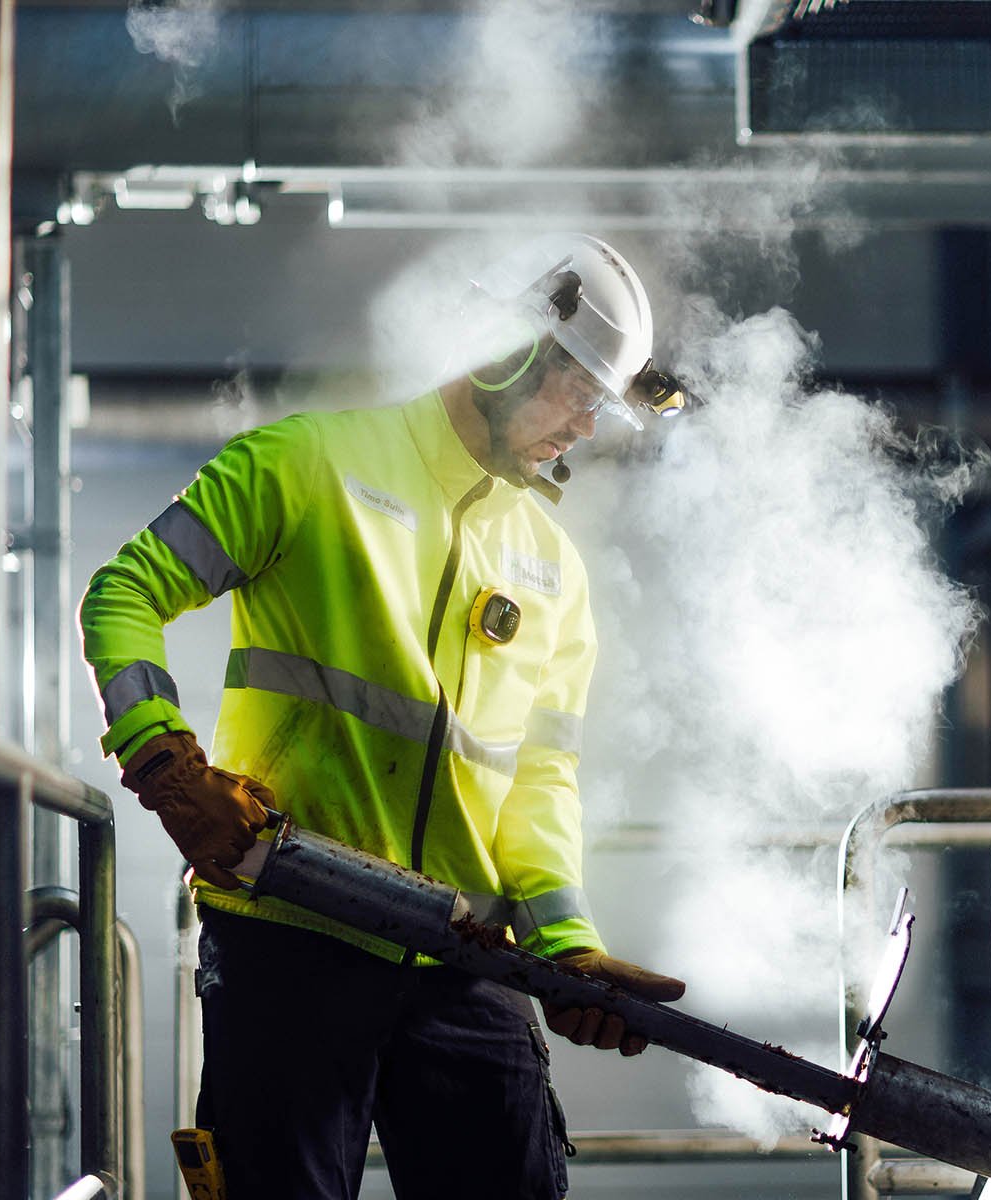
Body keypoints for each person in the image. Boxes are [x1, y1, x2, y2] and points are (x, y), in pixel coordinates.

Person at [79, 234, 688, 1200]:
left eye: (598, 406)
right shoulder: (308, 462)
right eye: (576, 391)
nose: (582, 426)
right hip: (290, 937)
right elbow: (122, 596)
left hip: (463, 963)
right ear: (510, 350)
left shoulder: (553, 570)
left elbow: (538, 782)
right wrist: (165, 763)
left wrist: (568, 953)